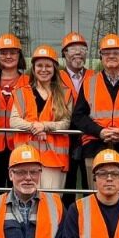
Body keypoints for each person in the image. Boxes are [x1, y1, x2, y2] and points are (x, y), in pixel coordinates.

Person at [71, 34, 119, 191]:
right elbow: (78, 116)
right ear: (101, 57)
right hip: (95, 147)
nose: (111, 56)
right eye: (106, 52)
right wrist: (99, 131)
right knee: (96, 195)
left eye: (116, 52)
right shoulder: (89, 83)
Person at [10, 45, 74, 191]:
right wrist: (35, 127)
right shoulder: (21, 93)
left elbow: (66, 123)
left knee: (51, 200)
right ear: (33, 68)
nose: (43, 69)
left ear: (54, 68)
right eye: (39, 65)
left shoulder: (65, 94)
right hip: (25, 157)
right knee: (27, 200)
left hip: (54, 160)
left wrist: (45, 126)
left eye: (48, 66)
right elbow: (14, 121)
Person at [0, 33, 27, 190]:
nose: (8, 56)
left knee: (19, 191)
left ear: (19, 55)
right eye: (3, 52)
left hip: (20, 145)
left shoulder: (29, 82)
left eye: (13, 52)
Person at [60, 32, 95, 191]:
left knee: (90, 183)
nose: (78, 53)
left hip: (89, 136)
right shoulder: (55, 77)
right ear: (64, 53)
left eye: (82, 49)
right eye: (73, 49)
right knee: (67, 184)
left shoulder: (95, 77)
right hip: (63, 137)